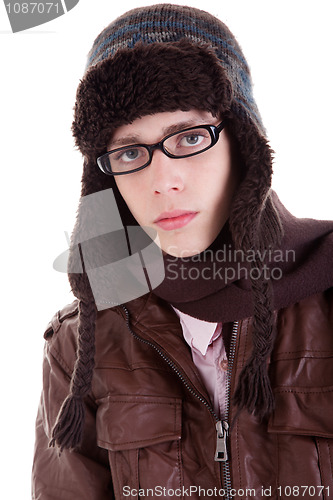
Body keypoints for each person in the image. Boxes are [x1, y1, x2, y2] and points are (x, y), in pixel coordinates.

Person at [31, 4, 333, 499]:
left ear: (243, 144)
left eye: (190, 138)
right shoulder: (80, 342)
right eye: (130, 152)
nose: (163, 182)